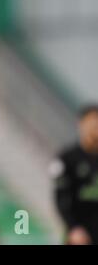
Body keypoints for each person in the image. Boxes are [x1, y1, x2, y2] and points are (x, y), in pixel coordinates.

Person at [52, 105, 98, 245]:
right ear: (81, 124)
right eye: (92, 122)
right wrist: (73, 228)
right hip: (81, 235)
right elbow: (61, 198)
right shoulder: (68, 159)